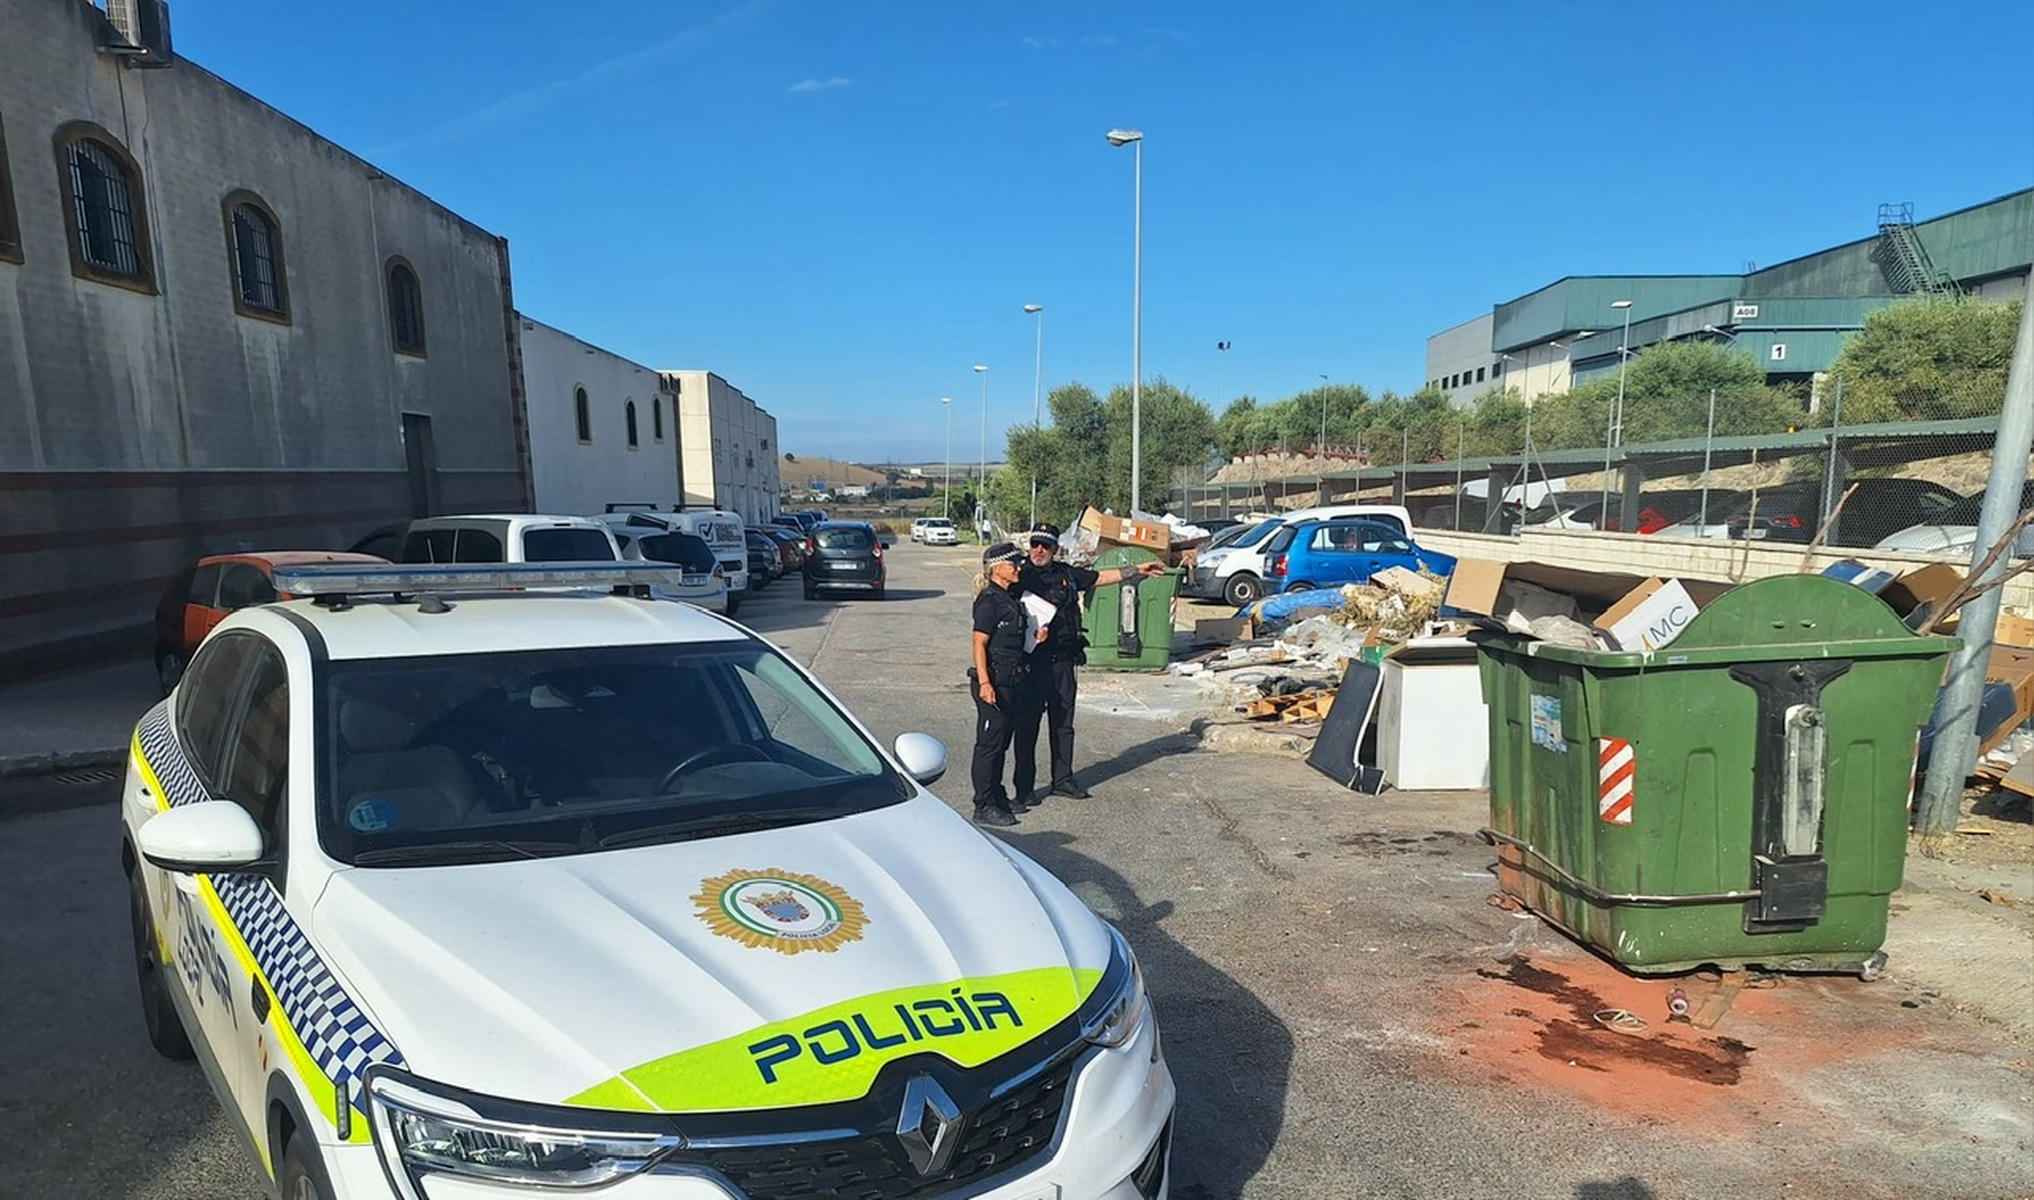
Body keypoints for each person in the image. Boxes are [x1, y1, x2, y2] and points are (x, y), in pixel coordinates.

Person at [1015, 522, 1165, 801]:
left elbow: (1097, 577)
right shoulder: (1019, 574)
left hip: (1063, 661)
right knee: (1027, 726)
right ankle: (1024, 789)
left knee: (1063, 724)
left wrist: (1135, 571)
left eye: (1045, 546)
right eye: (1034, 544)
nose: (1038, 550)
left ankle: (1062, 779)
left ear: (1055, 549)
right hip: (1032, 663)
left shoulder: (1065, 574)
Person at [968, 542, 1046, 827]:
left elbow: (1012, 642)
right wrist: (985, 682)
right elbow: (979, 643)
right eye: (1012, 564)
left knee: (1001, 743)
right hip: (993, 683)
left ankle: (997, 795)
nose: (1017, 568)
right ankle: (983, 804)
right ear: (996, 568)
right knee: (988, 746)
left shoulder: (1008, 598)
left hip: (1011, 681)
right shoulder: (989, 600)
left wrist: (1036, 638)